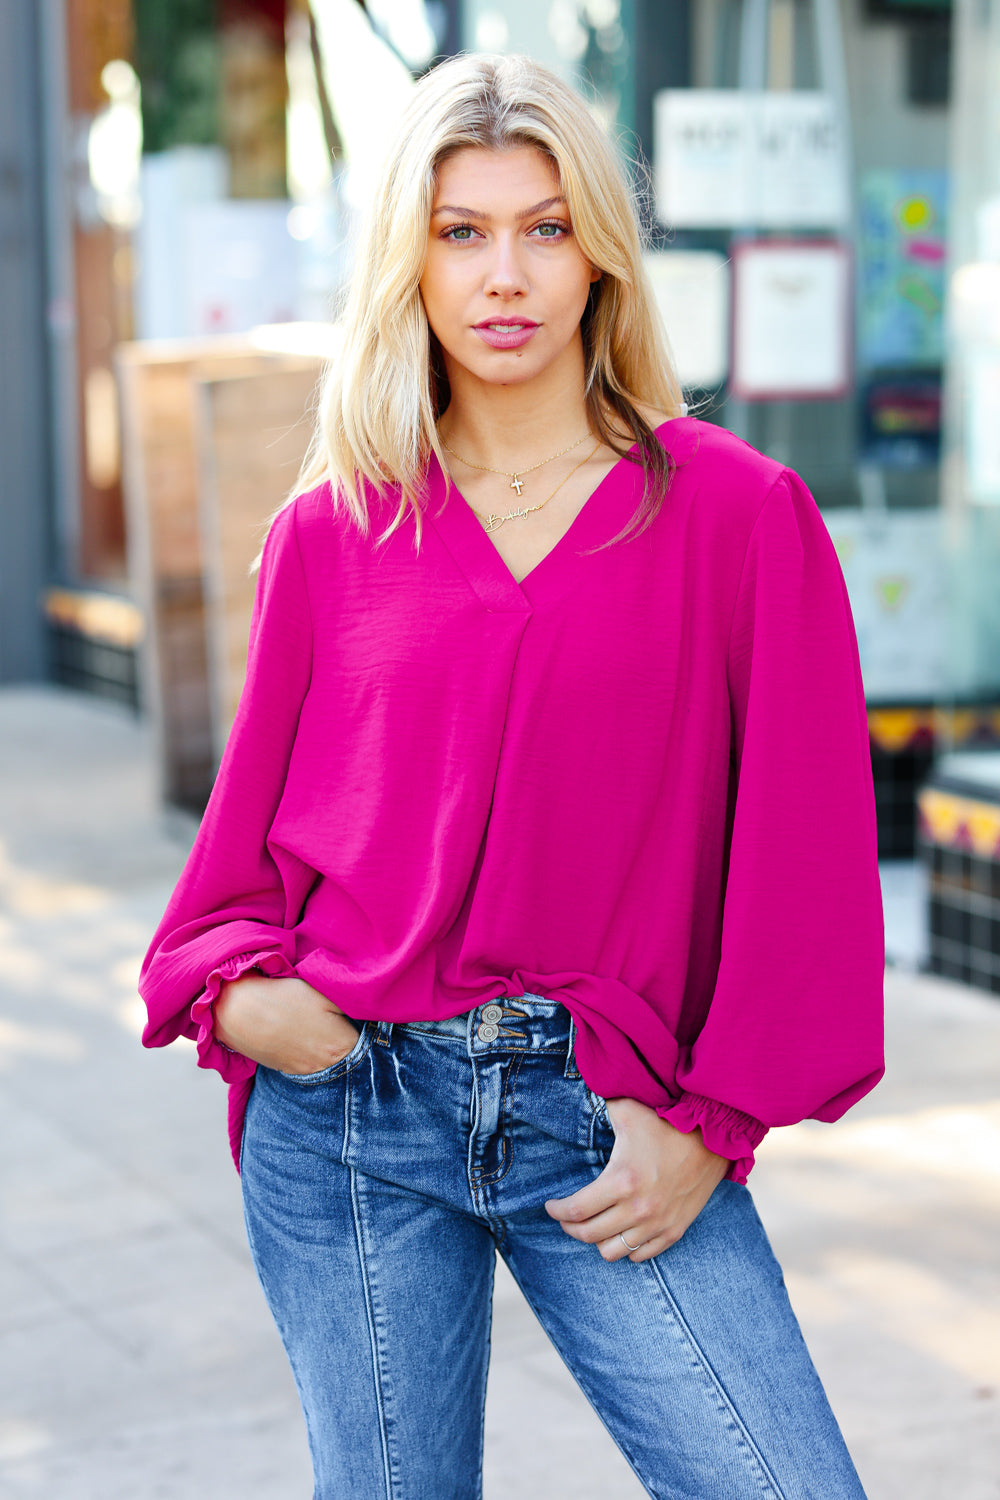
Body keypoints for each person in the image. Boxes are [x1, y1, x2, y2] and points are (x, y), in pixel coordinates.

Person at [139, 51, 884, 1500]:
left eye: (545, 228)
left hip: (605, 1115)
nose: (506, 277)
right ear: (407, 261)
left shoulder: (738, 515)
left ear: (600, 255)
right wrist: (253, 1004)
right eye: (461, 231)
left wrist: (711, 1122)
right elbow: (237, 866)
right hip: (347, 1110)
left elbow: (804, 858)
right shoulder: (335, 532)